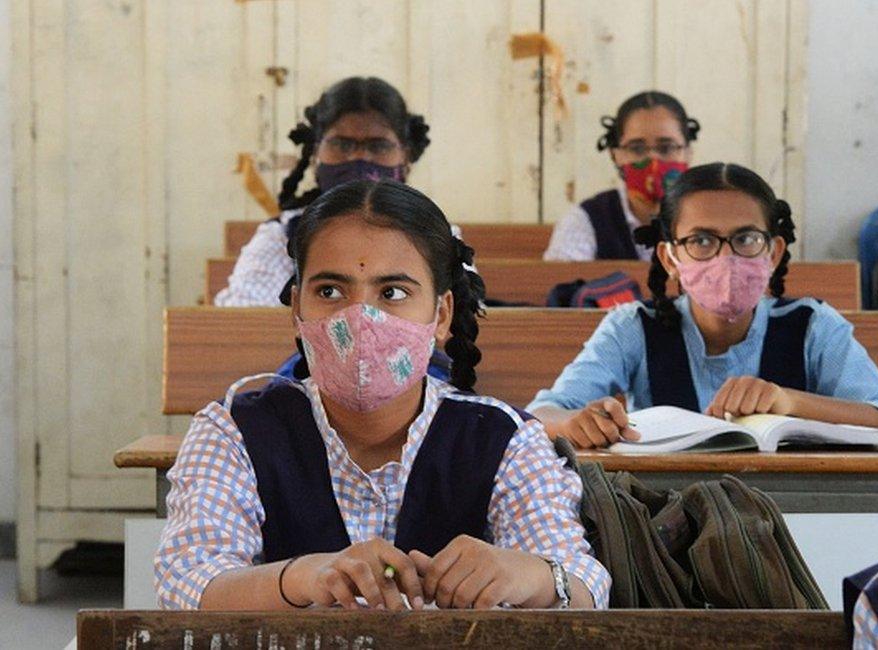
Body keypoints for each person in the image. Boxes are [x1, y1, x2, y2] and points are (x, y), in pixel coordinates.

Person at [156, 180, 610, 610]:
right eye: (330, 291)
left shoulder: (504, 439)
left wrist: (527, 575)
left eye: (393, 292)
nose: (361, 318)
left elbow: (585, 582)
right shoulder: (235, 431)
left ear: (441, 313)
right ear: (297, 309)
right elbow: (185, 583)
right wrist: (306, 577)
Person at [529, 162, 878, 449]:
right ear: (670, 259)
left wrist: (790, 402)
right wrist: (576, 422)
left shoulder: (812, 326)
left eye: (745, 239)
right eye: (701, 241)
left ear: (773, 251)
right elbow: (541, 415)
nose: (726, 259)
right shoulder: (633, 326)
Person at [214, 76, 433, 307]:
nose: (358, 158)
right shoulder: (283, 236)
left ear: (406, 156)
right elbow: (245, 320)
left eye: (378, 146)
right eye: (341, 144)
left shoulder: (433, 236)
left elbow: (458, 321)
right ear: (316, 153)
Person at [543, 90, 699, 261]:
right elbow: (560, 282)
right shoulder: (588, 219)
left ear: (688, 153)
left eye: (666, 147)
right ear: (615, 155)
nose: (653, 159)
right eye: (637, 148)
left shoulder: (713, 215)